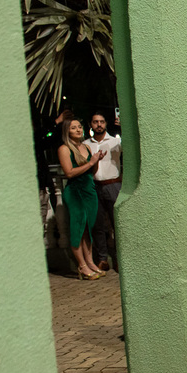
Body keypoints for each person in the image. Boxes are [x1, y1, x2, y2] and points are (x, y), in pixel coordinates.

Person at [57, 118, 105, 280]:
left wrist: (96, 160)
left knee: (88, 229)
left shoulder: (85, 147)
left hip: (89, 189)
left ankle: (90, 262)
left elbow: (91, 171)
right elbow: (69, 173)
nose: (78, 130)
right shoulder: (64, 149)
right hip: (75, 191)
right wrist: (90, 162)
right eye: (73, 128)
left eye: (79, 127)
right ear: (67, 132)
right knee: (78, 228)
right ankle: (82, 265)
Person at [86, 112, 122, 271]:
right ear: (91, 124)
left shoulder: (115, 142)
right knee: (97, 225)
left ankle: (119, 259)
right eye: (95, 122)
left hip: (113, 185)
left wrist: (123, 127)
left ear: (106, 123)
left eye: (101, 121)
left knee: (118, 224)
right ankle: (102, 259)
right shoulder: (86, 145)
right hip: (94, 187)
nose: (99, 124)